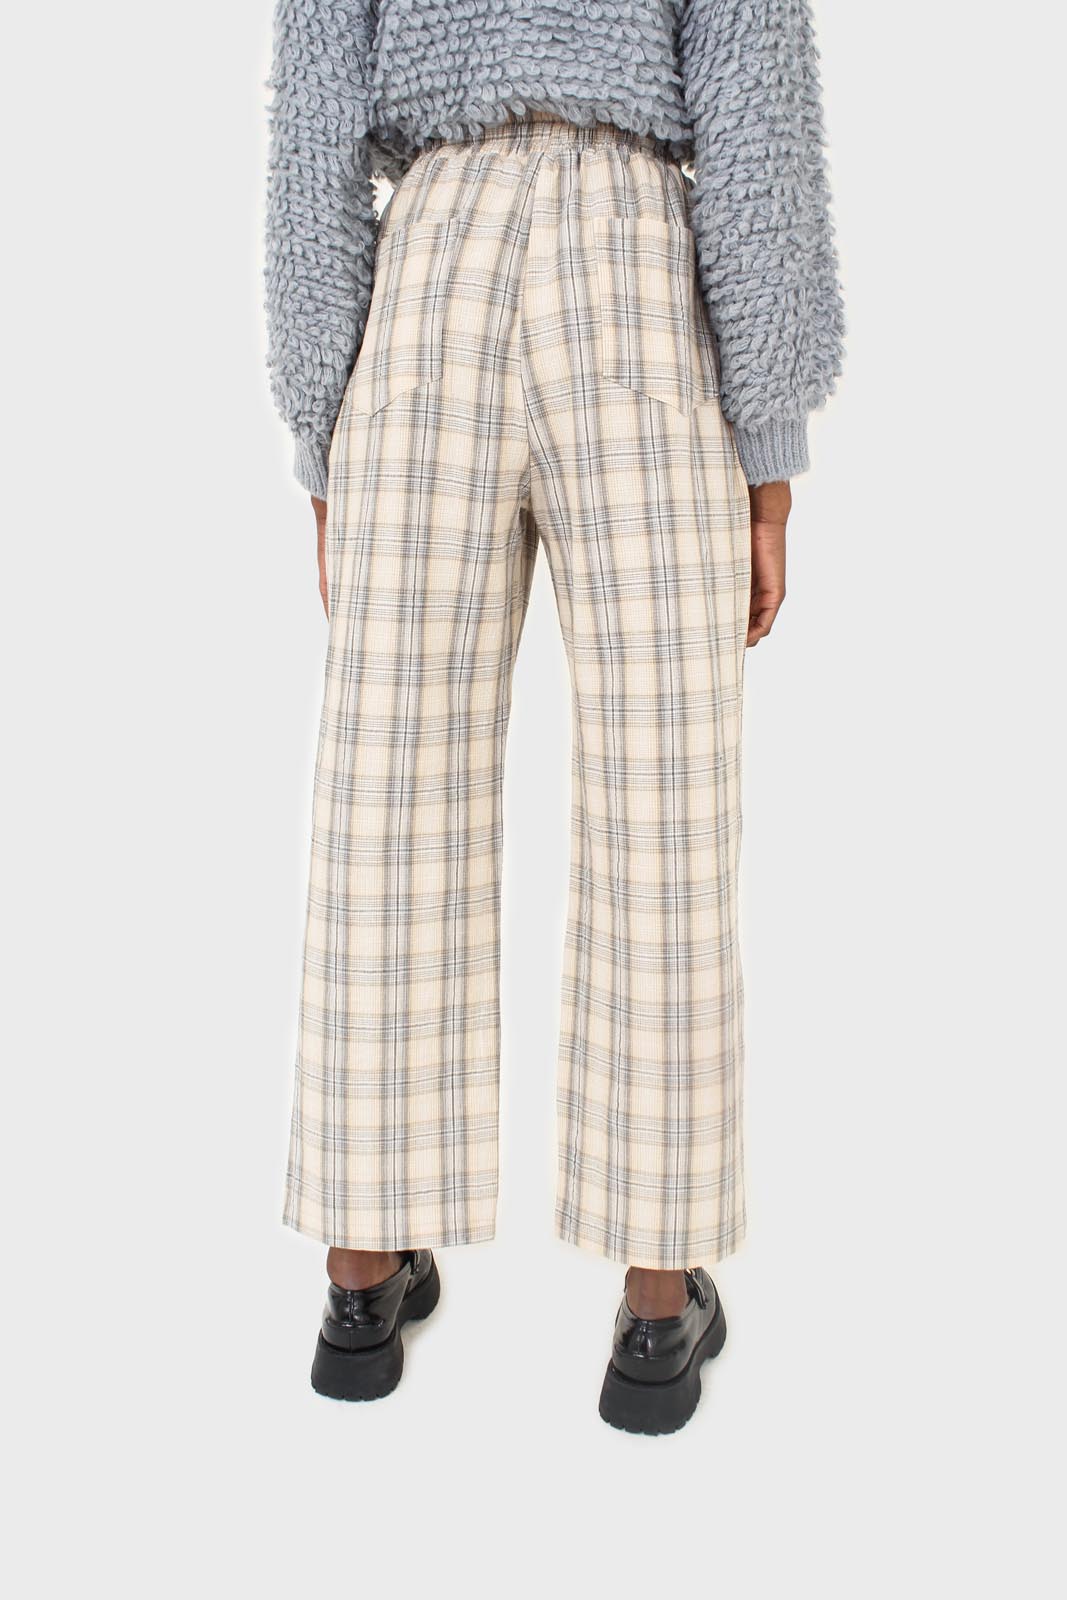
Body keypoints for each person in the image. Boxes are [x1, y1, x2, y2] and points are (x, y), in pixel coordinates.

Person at [264, 0, 844, 1434]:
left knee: (388, 792)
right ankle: (655, 1301)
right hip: (636, 273)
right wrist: (769, 448)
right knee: (666, 794)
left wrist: (321, 421)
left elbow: (314, 125)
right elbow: (755, 112)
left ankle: (360, 1273)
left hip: (428, 278)